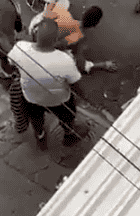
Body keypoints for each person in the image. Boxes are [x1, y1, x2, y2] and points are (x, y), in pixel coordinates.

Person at [7, 19, 87, 149]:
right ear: (55, 40)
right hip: (59, 101)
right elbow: (76, 86)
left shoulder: (20, 48)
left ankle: (40, 137)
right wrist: (84, 98)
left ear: (36, 34)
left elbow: (10, 65)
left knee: (36, 119)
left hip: (31, 98)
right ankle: (68, 134)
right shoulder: (65, 60)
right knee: (67, 116)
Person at [27, 0, 119, 74]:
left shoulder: (65, 14)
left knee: (63, 3)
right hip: (42, 47)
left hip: (34, 29)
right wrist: (103, 64)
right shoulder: (78, 36)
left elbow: (47, 14)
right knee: (71, 59)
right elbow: (80, 63)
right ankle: (102, 65)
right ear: (95, 25)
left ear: (84, 13)